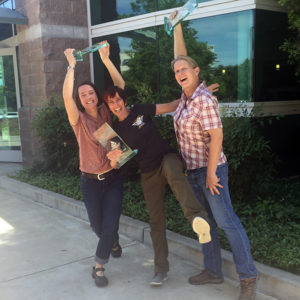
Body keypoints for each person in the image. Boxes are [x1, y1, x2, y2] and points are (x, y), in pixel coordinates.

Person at [171, 20, 258, 300]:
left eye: (185, 69)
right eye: (176, 71)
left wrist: (211, 175)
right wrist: (176, 27)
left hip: (211, 169)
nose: (180, 73)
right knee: (205, 223)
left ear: (196, 71)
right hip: (193, 170)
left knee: (226, 221)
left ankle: (248, 277)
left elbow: (216, 138)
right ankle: (213, 271)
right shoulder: (186, 98)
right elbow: (179, 56)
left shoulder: (204, 100)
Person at [101, 80, 219, 285]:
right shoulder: (114, 131)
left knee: (175, 175)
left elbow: (173, 105)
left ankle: (198, 220)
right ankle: (161, 269)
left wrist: (197, 96)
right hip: (148, 172)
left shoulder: (140, 110)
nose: (115, 104)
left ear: (124, 100)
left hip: (166, 157)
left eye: (118, 99)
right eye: (111, 102)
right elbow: (116, 164)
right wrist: (113, 158)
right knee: (156, 220)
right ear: (108, 106)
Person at [62, 42, 125, 288]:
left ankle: (98, 266)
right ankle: (114, 242)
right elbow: (66, 95)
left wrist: (107, 60)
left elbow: (120, 87)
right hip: (89, 182)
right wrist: (71, 68)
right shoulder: (77, 120)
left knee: (108, 224)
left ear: (97, 95)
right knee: (98, 226)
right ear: (79, 100)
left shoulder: (106, 112)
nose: (88, 97)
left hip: (112, 178)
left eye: (90, 92)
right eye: (83, 95)